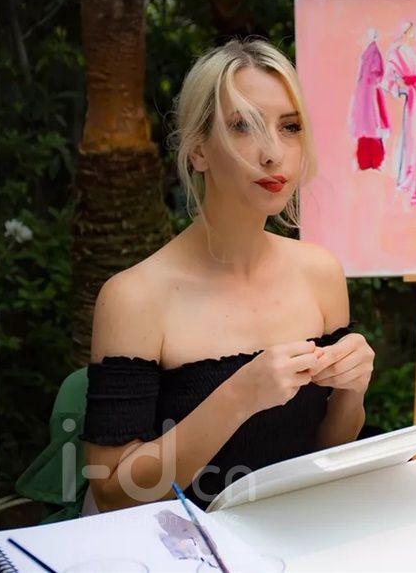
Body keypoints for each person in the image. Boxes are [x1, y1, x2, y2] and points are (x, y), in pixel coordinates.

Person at [80, 39, 375, 512]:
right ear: (198, 150)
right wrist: (238, 395)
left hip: (299, 531)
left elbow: (325, 451)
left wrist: (351, 392)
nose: (273, 153)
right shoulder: (133, 298)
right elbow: (113, 494)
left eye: (290, 127)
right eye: (243, 126)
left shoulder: (320, 273)